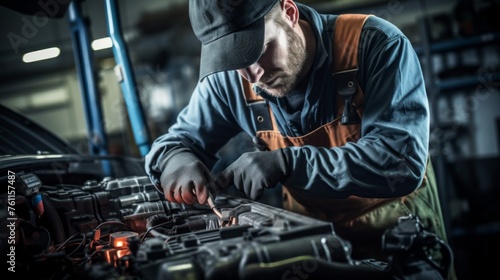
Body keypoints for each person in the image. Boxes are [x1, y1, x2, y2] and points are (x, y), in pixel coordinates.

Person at [145, 0, 453, 277]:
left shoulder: (375, 45)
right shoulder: (230, 81)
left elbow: (399, 162)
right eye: (236, 63)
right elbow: (177, 141)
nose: (254, 77)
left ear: (289, 13)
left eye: (260, 51)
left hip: (398, 242)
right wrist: (176, 159)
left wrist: (287, 163)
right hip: (311, 248)